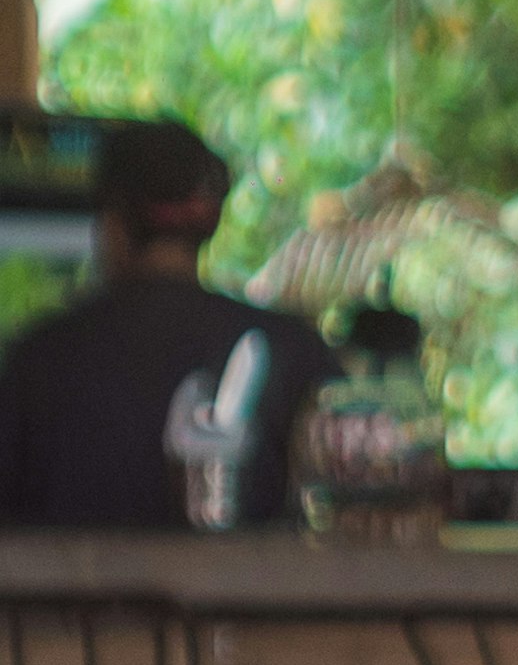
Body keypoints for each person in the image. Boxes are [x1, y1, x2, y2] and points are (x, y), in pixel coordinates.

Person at [0, 118, 323, 529]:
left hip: (77, 593)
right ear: (212, 221)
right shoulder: (292, 351)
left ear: (113, 224)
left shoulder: (38, 358)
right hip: (245, 594)